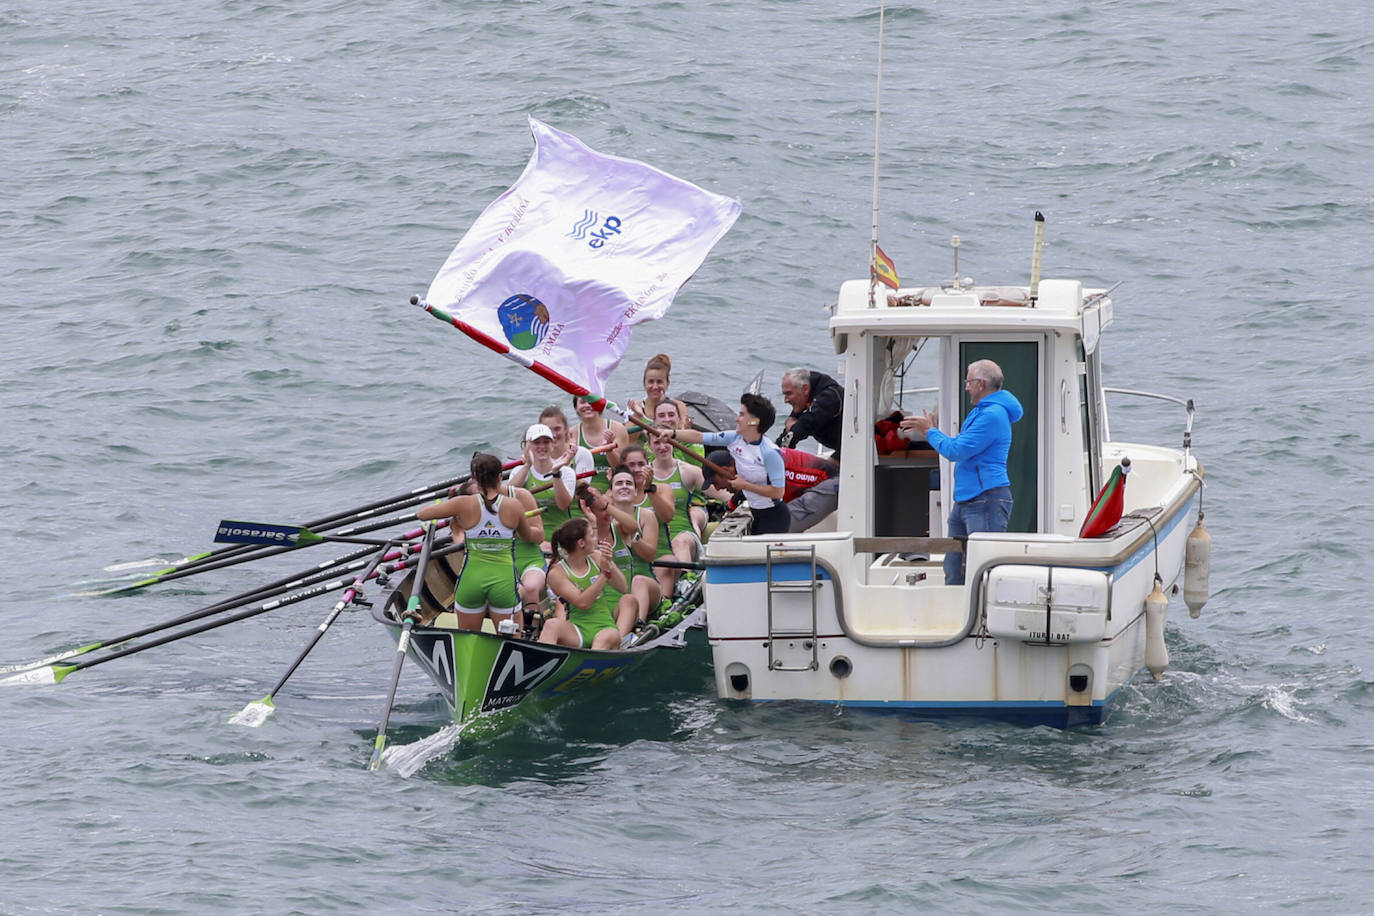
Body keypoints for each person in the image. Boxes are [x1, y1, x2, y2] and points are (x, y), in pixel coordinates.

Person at [900, 358, 1023, 586]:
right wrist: (934, 431)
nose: (965, 386)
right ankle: (956, 616)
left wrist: (930, 431)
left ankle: (981, 620)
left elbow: (956, 450)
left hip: (986, 499)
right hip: (969, 499)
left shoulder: (991, 415)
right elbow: (960, 446)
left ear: (980, 384)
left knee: (981, 569)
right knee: (953, 566)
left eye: (968, 382)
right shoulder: (982, 412)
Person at [417, 452, 543, 632]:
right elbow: (530, 536)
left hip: (471, 581)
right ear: (500, 477)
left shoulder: (462, 503)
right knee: (511, 638)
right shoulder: (514, 505)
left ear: (475, 479)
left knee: (468, 637)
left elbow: (422, 514)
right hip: (503, 581)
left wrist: (455, 513)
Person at [667, 393, 789, 535]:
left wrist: (745, 486)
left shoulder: (770, 453)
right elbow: (699, 437)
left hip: (774, 517)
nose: (736, 419)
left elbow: (778, 492)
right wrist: (671, 434)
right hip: (756, 512)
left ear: (754, 422)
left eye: (742, 415)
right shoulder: (734, 438)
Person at [508, 422, 576, 618]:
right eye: (536, 443)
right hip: (530, 540)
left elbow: (564, 504)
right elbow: (504, 499)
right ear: (527, 446)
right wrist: (527, 466)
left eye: (546, 442)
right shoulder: (518, 473)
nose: (542, 447)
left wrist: (555, 473)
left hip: (560, 539)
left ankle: (549, 611)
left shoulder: (566, 472)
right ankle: (533, 616)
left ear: (553, 445)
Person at [538, 518, 628, 651]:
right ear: (581, 543)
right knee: (551, 625)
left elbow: (623, 587)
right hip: (577, 630)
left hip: (605, 628)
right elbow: (583, 603)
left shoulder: (597, 557)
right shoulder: (557, 573)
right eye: (592, 535)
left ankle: (591, 662)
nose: (596, 538)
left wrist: (609, 564)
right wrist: (604, 574)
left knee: (605, 637)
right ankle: (540, 663)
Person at [703, 446, 839, 533]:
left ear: (726, 470)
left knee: (778, 529)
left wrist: (733, 503)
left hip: (832, 484)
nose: (718, 488)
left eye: (715, 483)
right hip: (822, 484)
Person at [648, 401, 707, 597]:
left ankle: (687, 586)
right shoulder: (643, 475)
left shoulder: (688, 471)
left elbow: (724, 493)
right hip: (656, 540)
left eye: (665, 441)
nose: (662, 446)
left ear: (672, 441)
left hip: (684, 535)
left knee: (679, 542)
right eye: (656, 442)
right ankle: (664, 598)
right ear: (649, 445)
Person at [776, 367, 845, 456]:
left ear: (805, 389)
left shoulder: (829, 397)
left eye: (789, 394)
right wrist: (775, 450)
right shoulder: (806, 395)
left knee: (826, 467)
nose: (786, 400)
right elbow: (792, 428)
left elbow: (803, 426)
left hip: (856, 446)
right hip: (843, 447)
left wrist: (776, 455)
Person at [571, 394, 629, 491]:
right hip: (583, 489)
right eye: (582, 402)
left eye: (591, 401)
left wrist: (609, 449)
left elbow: (622, 467)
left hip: (613, 488)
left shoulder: (617, 429)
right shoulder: (572, 433)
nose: (588, 405)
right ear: (576, 408)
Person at [626, 353, 692, 433]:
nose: (655, 387)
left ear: (667, 384)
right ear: (644, 384)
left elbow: (682, 433)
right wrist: (637, 416)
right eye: (651, 382)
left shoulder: (678, 406)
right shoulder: (635, 406)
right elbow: (626, 437)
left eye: (659, 382)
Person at [539, 405, 595, 477]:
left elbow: (582, 486)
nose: (553, 435)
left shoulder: (582, 454)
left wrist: (561, 468)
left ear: (566, 429)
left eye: (557, 429)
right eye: (548, 430)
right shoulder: (536, 457)